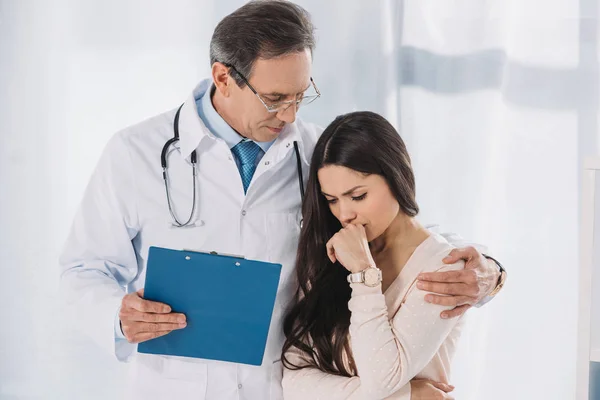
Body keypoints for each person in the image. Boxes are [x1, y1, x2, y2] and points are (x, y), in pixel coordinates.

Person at [59, 1, 505, 400]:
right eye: (274, 99)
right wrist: (118, 316)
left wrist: (486, 269)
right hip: (174, 383)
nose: (290, 115)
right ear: (223, 77)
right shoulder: (135, 152)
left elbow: (391, 224)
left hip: (282, 385)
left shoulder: (316, 151)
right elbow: (83, 269)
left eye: (300, 95)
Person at [281, 111, 502, 400]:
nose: (345, 215)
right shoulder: (331, 255)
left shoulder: (442, 268)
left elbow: (381, 380)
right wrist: (407, 396)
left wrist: (363, 275)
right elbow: (293, 380)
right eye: (332, 200)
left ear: (396, 176)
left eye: (358, 196)